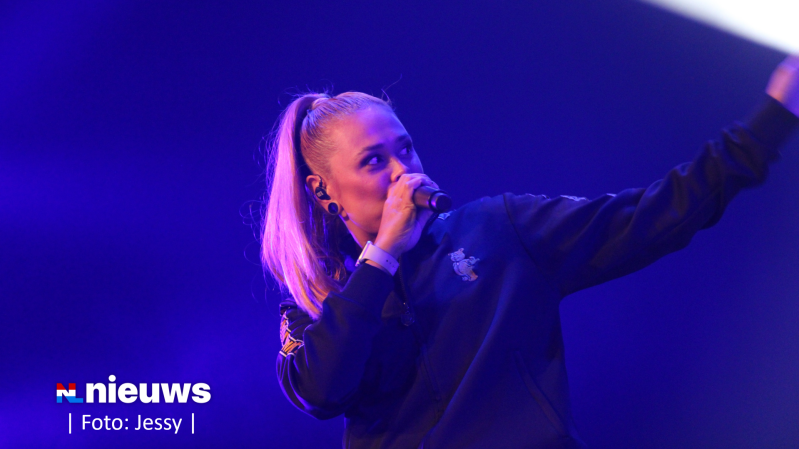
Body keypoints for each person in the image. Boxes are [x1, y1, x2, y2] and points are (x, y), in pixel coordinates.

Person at [261, 57, 799, 448]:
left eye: (406, 148)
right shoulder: (315, 303)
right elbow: (323, 392)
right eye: (374, 161)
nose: (405, 171)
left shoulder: (498, 229)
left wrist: (772, 119)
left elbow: (655, 214)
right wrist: (381, 259)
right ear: (323, 192)